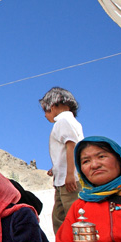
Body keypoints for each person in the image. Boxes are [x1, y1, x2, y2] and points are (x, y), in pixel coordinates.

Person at [40, 87, 84, 233]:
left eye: (45, 110)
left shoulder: (62, 122)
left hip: (69, 181)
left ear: (52, 106)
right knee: (59, 216)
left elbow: (71, 145)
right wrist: (56, 167)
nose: (45, 115)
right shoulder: (72, 121)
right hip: (63, 179)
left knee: (71, 217)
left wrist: (70, 174)